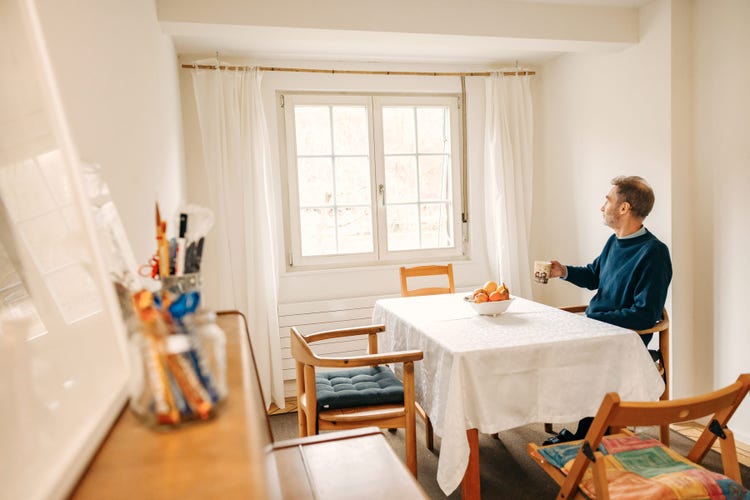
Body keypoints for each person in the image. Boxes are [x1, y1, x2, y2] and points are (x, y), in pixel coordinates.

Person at [543, 175, 672, 445]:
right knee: (548, 348)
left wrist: (594, 318)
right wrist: (562, 271)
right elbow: (594, 275)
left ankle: (588, 440)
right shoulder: (615, 242)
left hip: (626, 339)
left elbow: (645, 314)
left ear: (624, 208)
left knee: (577, 360)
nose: (603, 207)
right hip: (598, 330)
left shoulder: (654, 253)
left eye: (608, 200)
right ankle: (585, 433)